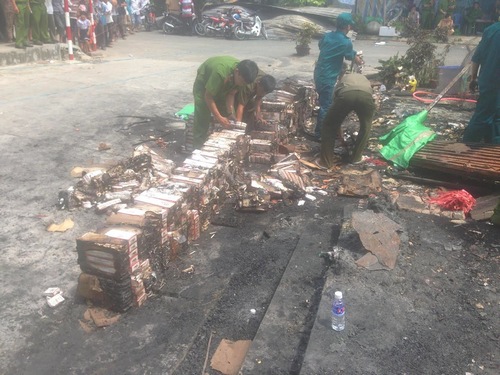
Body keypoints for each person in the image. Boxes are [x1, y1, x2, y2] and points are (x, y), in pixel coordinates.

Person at [313, 12, 362, 139]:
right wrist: (357, 58)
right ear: (347, 26)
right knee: (326, 105)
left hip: (319, 73)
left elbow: (321, 46)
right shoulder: (346, 42)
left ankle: (324, 130)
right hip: (328, 77)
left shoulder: (327, 36)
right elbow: (349, 55)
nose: (350, 27)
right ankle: (320, 134)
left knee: (324, 101)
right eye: (350, 25)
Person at [192, 57, 258, 148]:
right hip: (204, 83)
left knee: (226, 115)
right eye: (242, 82)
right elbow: (208, 97)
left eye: (244, 84)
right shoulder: (220, 73)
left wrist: (230, 113)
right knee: (203, 116)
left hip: (225, 80)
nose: (242, 85)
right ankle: (197, 148)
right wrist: (218, 117)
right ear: (237, 71)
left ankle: (220, 142)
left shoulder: (243, 76)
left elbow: (231, 94)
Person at [317, 72, 376, 168]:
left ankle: (325, 162)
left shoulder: (342, 80)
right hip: (366, 95)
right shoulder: (364, 78)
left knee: (329, 125)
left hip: (346, 94)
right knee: (366, 126)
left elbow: (335, 120)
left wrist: (340, 137)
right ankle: (356, 158)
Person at [463, 20, 500, 144]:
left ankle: (491, 145)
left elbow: (477, 57)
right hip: (494, 83)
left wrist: (474, 78)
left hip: (488, 81)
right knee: (486, 116)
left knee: (488, 116)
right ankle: (467, 145)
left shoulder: (490, 30)